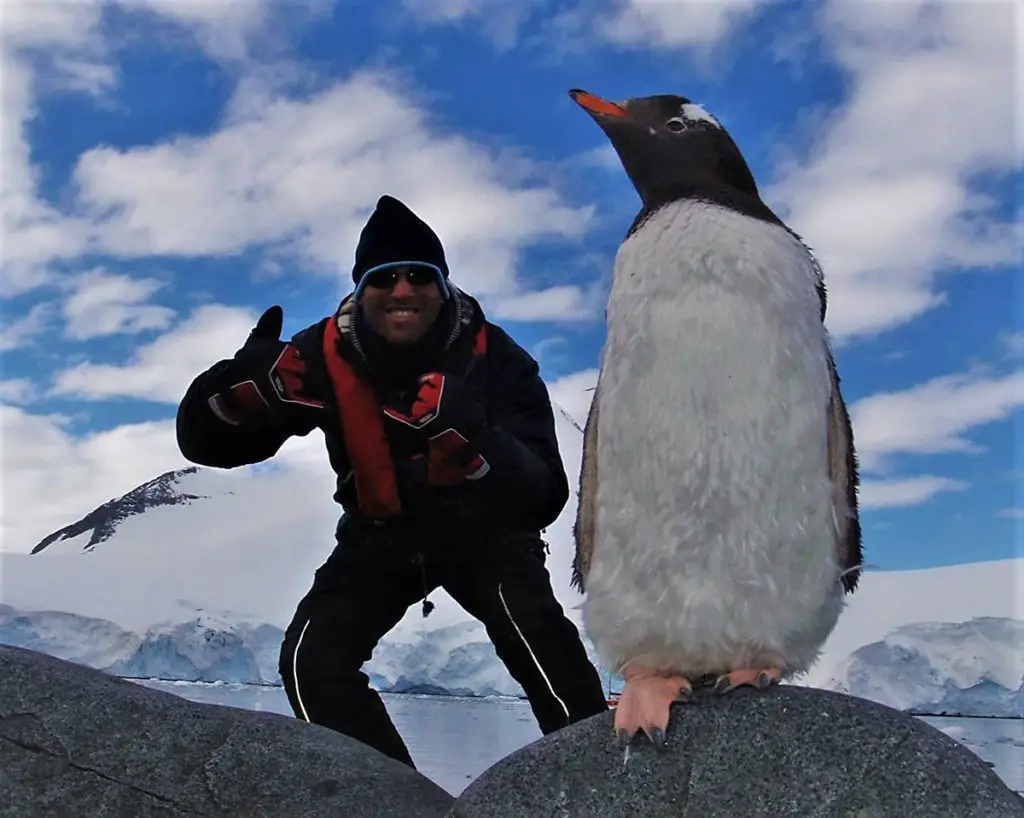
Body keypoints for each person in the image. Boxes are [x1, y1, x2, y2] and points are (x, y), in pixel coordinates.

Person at [175, 194, 609, 768]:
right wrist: (235, 394)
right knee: (311, 663)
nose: (402, 291)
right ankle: (392, 800)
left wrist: (476, 432)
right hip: (380, 535)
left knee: (549, 657)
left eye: (419, 276)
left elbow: (545, 493)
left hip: (486, 538)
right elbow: (204, 445)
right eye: (384, 278)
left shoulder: (498, 358)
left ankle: (604, 789)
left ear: (443, 286)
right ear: (360, 289)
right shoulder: (317, 354)